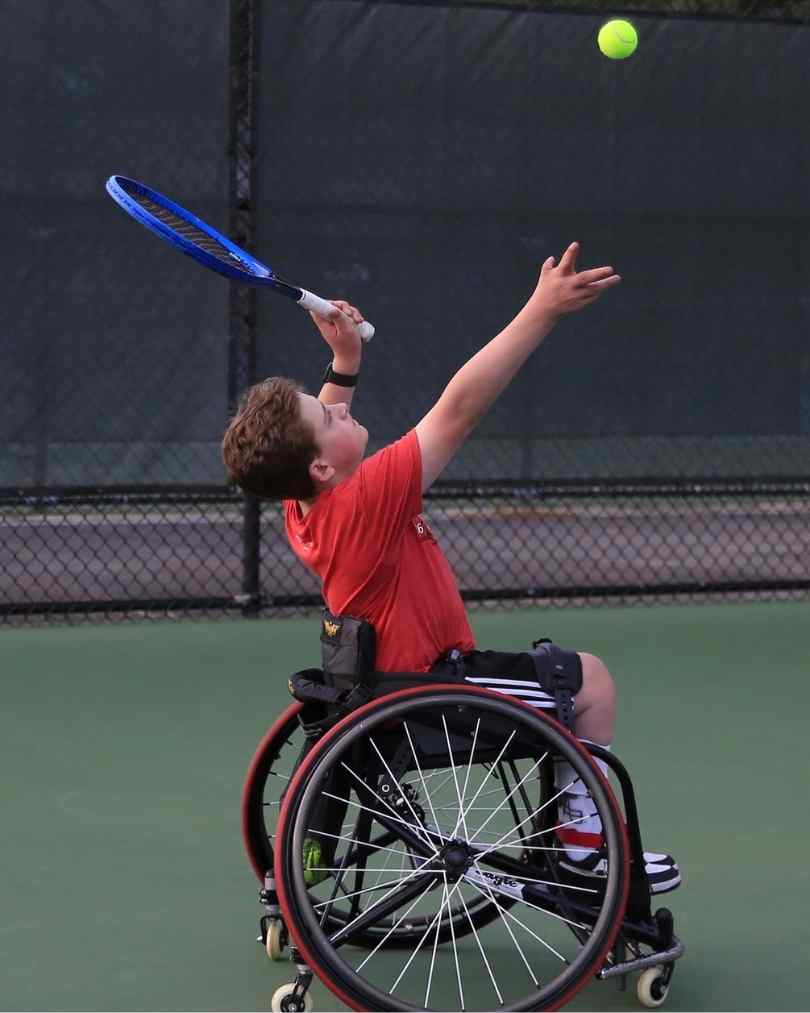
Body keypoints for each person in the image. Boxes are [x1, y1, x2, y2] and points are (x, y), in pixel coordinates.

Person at [222, 242, 680, 893]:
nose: (341, 405)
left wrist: (345, 361)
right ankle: (584, 853)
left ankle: (573, 837)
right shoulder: (367, 496)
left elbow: (314, 439)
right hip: (433, 694)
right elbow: (459, 408)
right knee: (591, 683)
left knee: (563, 679)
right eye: (330, 413)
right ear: (322, 465)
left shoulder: (305, 505)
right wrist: (541, 311)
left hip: (379, 690)